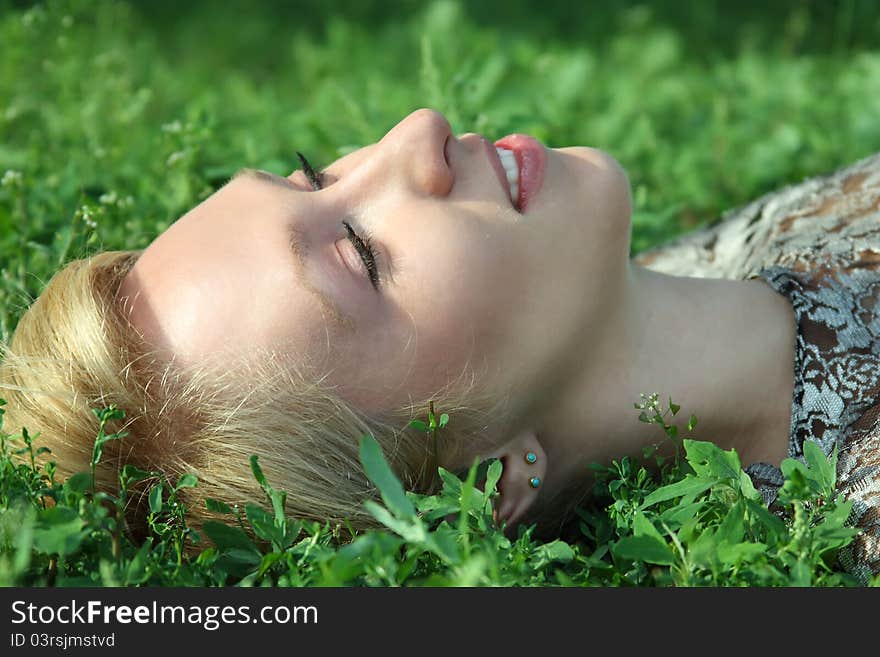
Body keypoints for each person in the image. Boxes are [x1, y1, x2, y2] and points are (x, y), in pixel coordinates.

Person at [1, 109, 878, 581]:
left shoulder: (721, 258)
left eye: (319, 171)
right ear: (486, 485)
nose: (414, 132)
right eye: (365, 257)